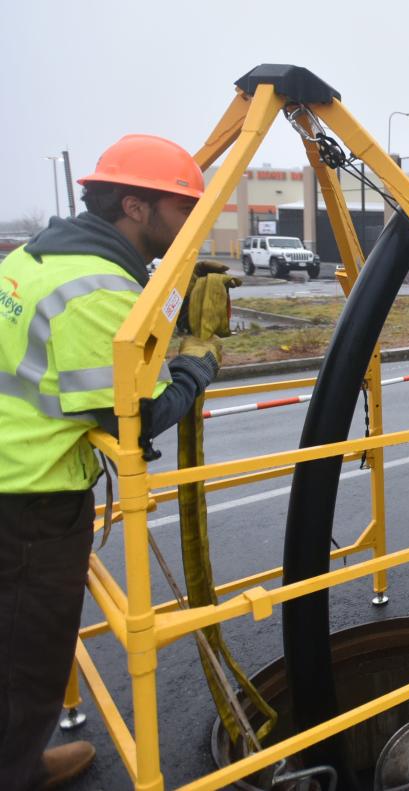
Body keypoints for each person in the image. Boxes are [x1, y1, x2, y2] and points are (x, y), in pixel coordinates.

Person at [0, 134, 223, 789]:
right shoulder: (96, 289)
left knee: (15, 653)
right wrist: (196, 366)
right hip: (29, 500)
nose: (193, 226)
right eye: (184, 209)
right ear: (135, 206)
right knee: (29, 662)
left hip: (16, 475)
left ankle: (19, 757)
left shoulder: (40, 254)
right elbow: (136, 412)